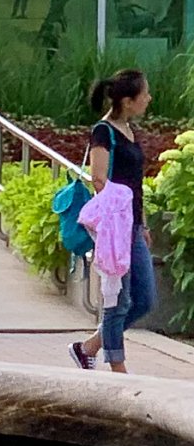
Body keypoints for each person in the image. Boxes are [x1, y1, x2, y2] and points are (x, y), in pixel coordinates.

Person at [70, 69, 155, 375]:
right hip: (114, 229)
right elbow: (98, 178)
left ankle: (88, 347)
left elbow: (135, 182)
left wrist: (142, 223)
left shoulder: (130, 130)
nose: (149, 98)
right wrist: (122, 212)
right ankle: (117, 367)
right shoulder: (103, 132)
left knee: (144, 299)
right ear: (128, 101)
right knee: (118, 300)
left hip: (132, 226)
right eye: (144, 94)